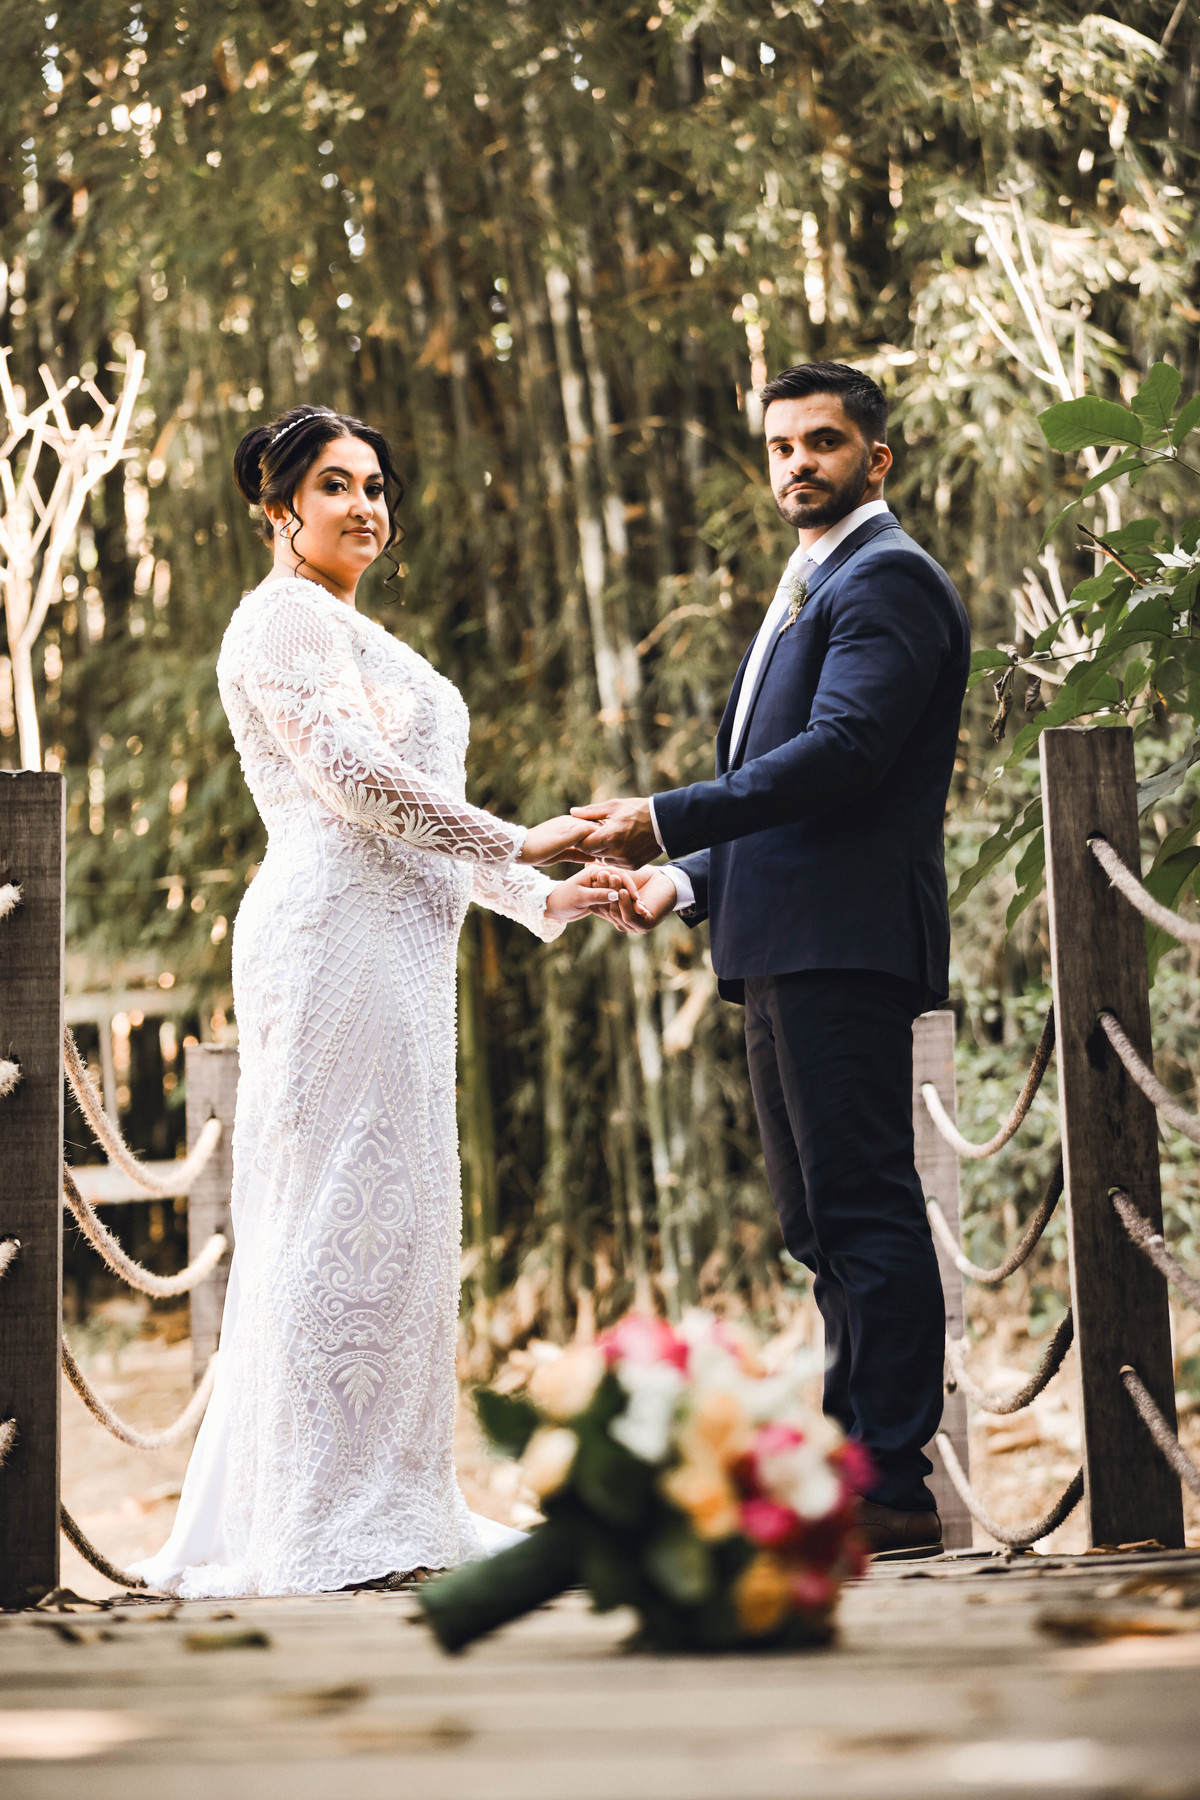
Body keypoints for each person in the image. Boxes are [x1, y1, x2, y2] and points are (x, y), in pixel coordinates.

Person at [133, 405, 631, 1598]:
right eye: (335, 485)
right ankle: (319, 1518)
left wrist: (542, 895)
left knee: (397, 1221)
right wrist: (522, 837)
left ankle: (391, 1501)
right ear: (279, 510)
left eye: (375, 486)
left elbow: (413, 816)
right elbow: (355, 781)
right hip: (331, 939)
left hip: (400, 944)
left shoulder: (350, 627)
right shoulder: (279, 619)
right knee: (333, 1212)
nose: (365, 505)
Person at [573, 363, 971, 1556]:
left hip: (843, 942)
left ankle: (892, 1483)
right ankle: (855, 1470)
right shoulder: (814, 580)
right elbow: (783, 793)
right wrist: (682, 879)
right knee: (819, 1224)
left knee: (863, 1207)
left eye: (823, 442)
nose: (798, 462)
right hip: (783, 941)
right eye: (782, 445)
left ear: (876, 458)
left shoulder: (887, 578)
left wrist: (664, 817)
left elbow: (843, 756)